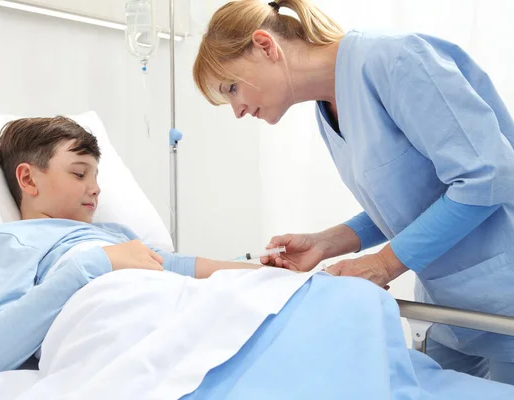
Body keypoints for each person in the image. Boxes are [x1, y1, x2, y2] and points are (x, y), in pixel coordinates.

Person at [192, 0, 514, 385]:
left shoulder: (393, 60)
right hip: (446, 308)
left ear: (266, 45)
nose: (237, 110)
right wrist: (327, 243)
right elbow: (411, 199)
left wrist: (383, 264)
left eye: (231, 88)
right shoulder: (327, 108)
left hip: (502, 298)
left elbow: (486, 177)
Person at [0, 116, 266, 377]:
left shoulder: (114, 234)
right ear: (28, 179)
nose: (96, 188)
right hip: (118, 328)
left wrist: (269, 272)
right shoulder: (12, 240)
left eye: (96, 176)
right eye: (79, 173)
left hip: (177, 309)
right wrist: (93, 264)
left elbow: (181, 266)